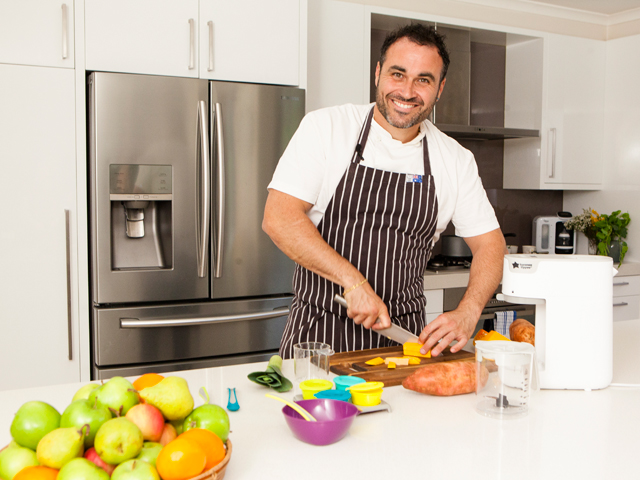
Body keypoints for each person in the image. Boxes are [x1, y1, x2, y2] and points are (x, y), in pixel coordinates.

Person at [263, 23, 506, 359]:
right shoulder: (328, 128)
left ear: (440, 87)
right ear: (378, 73)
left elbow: (491, 244)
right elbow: (279, 218)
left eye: (424, 79)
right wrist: (353, 282)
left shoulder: (454, 159)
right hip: (320, 336)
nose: (407, 91)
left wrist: (468, 311)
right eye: (397, 74)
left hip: (404, 343)